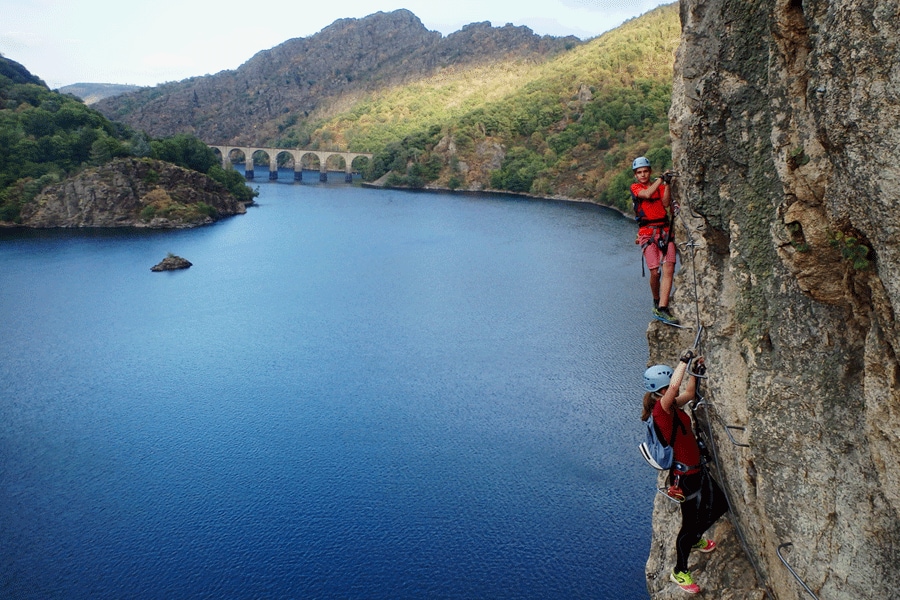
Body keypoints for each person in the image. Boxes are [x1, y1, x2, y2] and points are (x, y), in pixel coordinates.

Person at [641, 351, 729, 594]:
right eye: (668, 386)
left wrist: (696, 373)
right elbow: (675, 389)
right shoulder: (661, 410)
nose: (673, 389)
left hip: (695, 470)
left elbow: (688, 394)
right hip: (684, 478)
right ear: (661, 390)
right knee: (688, 525)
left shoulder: (672, 407)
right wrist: (684, 360)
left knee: (721, 504)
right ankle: (680, 570)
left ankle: (696, 538)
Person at [630, 156, 679, 325]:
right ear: (636, 175)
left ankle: (662, 308)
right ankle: (656, 300)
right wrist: (660, 180)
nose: (643, 175)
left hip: (664, 231)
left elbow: (665, 203)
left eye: (645, 171)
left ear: (649, 172)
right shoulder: (635, 188)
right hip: (647, 233)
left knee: (669, 267)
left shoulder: (658, 186)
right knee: (655, 272)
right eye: (639, 172)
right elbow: (647, 193)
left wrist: (667, 185)